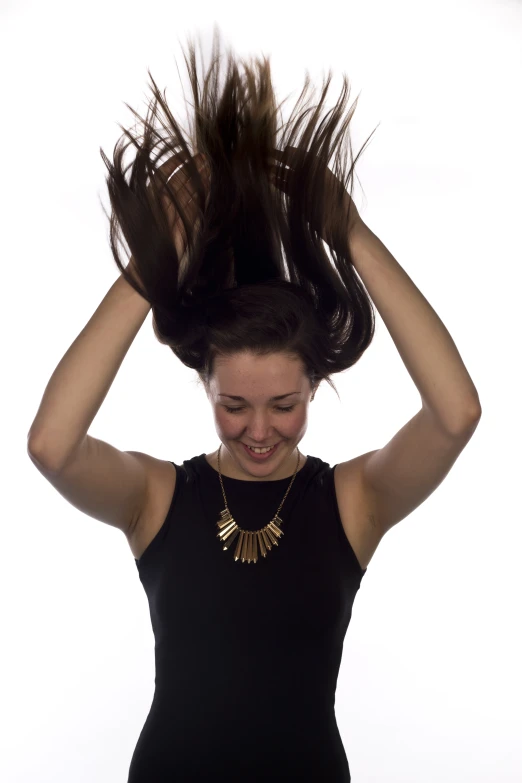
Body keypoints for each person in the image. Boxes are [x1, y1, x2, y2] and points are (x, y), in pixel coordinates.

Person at [27, 27, 481, 783]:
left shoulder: (353, 501)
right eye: (235, 403)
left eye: (284, 403)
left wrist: (350, 233)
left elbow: (456, 412)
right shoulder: (157, 497)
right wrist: (155, 255)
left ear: (315, 384)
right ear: (205, 381)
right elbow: (52, 444)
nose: (259, 430)